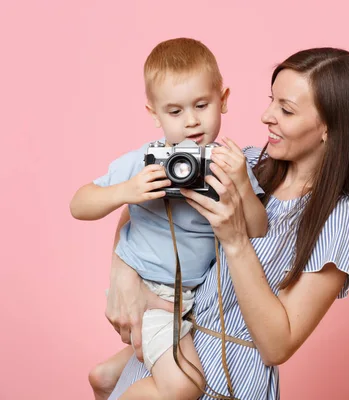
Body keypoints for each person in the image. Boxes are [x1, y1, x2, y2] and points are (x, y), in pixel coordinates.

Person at [105, 47, 349, 399]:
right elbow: (144, 206)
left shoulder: (340, 218)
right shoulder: (247, 162)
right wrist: (122, 275)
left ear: (329, 129)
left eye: (285, 110)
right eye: (271, 100)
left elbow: (277, 346)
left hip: (225, 384)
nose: (266, 116)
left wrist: (236, 239)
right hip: (166, 360)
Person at [70, 38, 267, 400]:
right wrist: (126, 191)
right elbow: (79, 204)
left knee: (168, 358)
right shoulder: (145, 160)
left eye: (202, 105)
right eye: (174, 112)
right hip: (151, 298)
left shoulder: (228, 163)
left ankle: (107, 376)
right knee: (184, 386)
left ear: (223, 99)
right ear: (153, 113)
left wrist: (240, 182)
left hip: (192, 300)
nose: (191, 121)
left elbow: (258, 230)